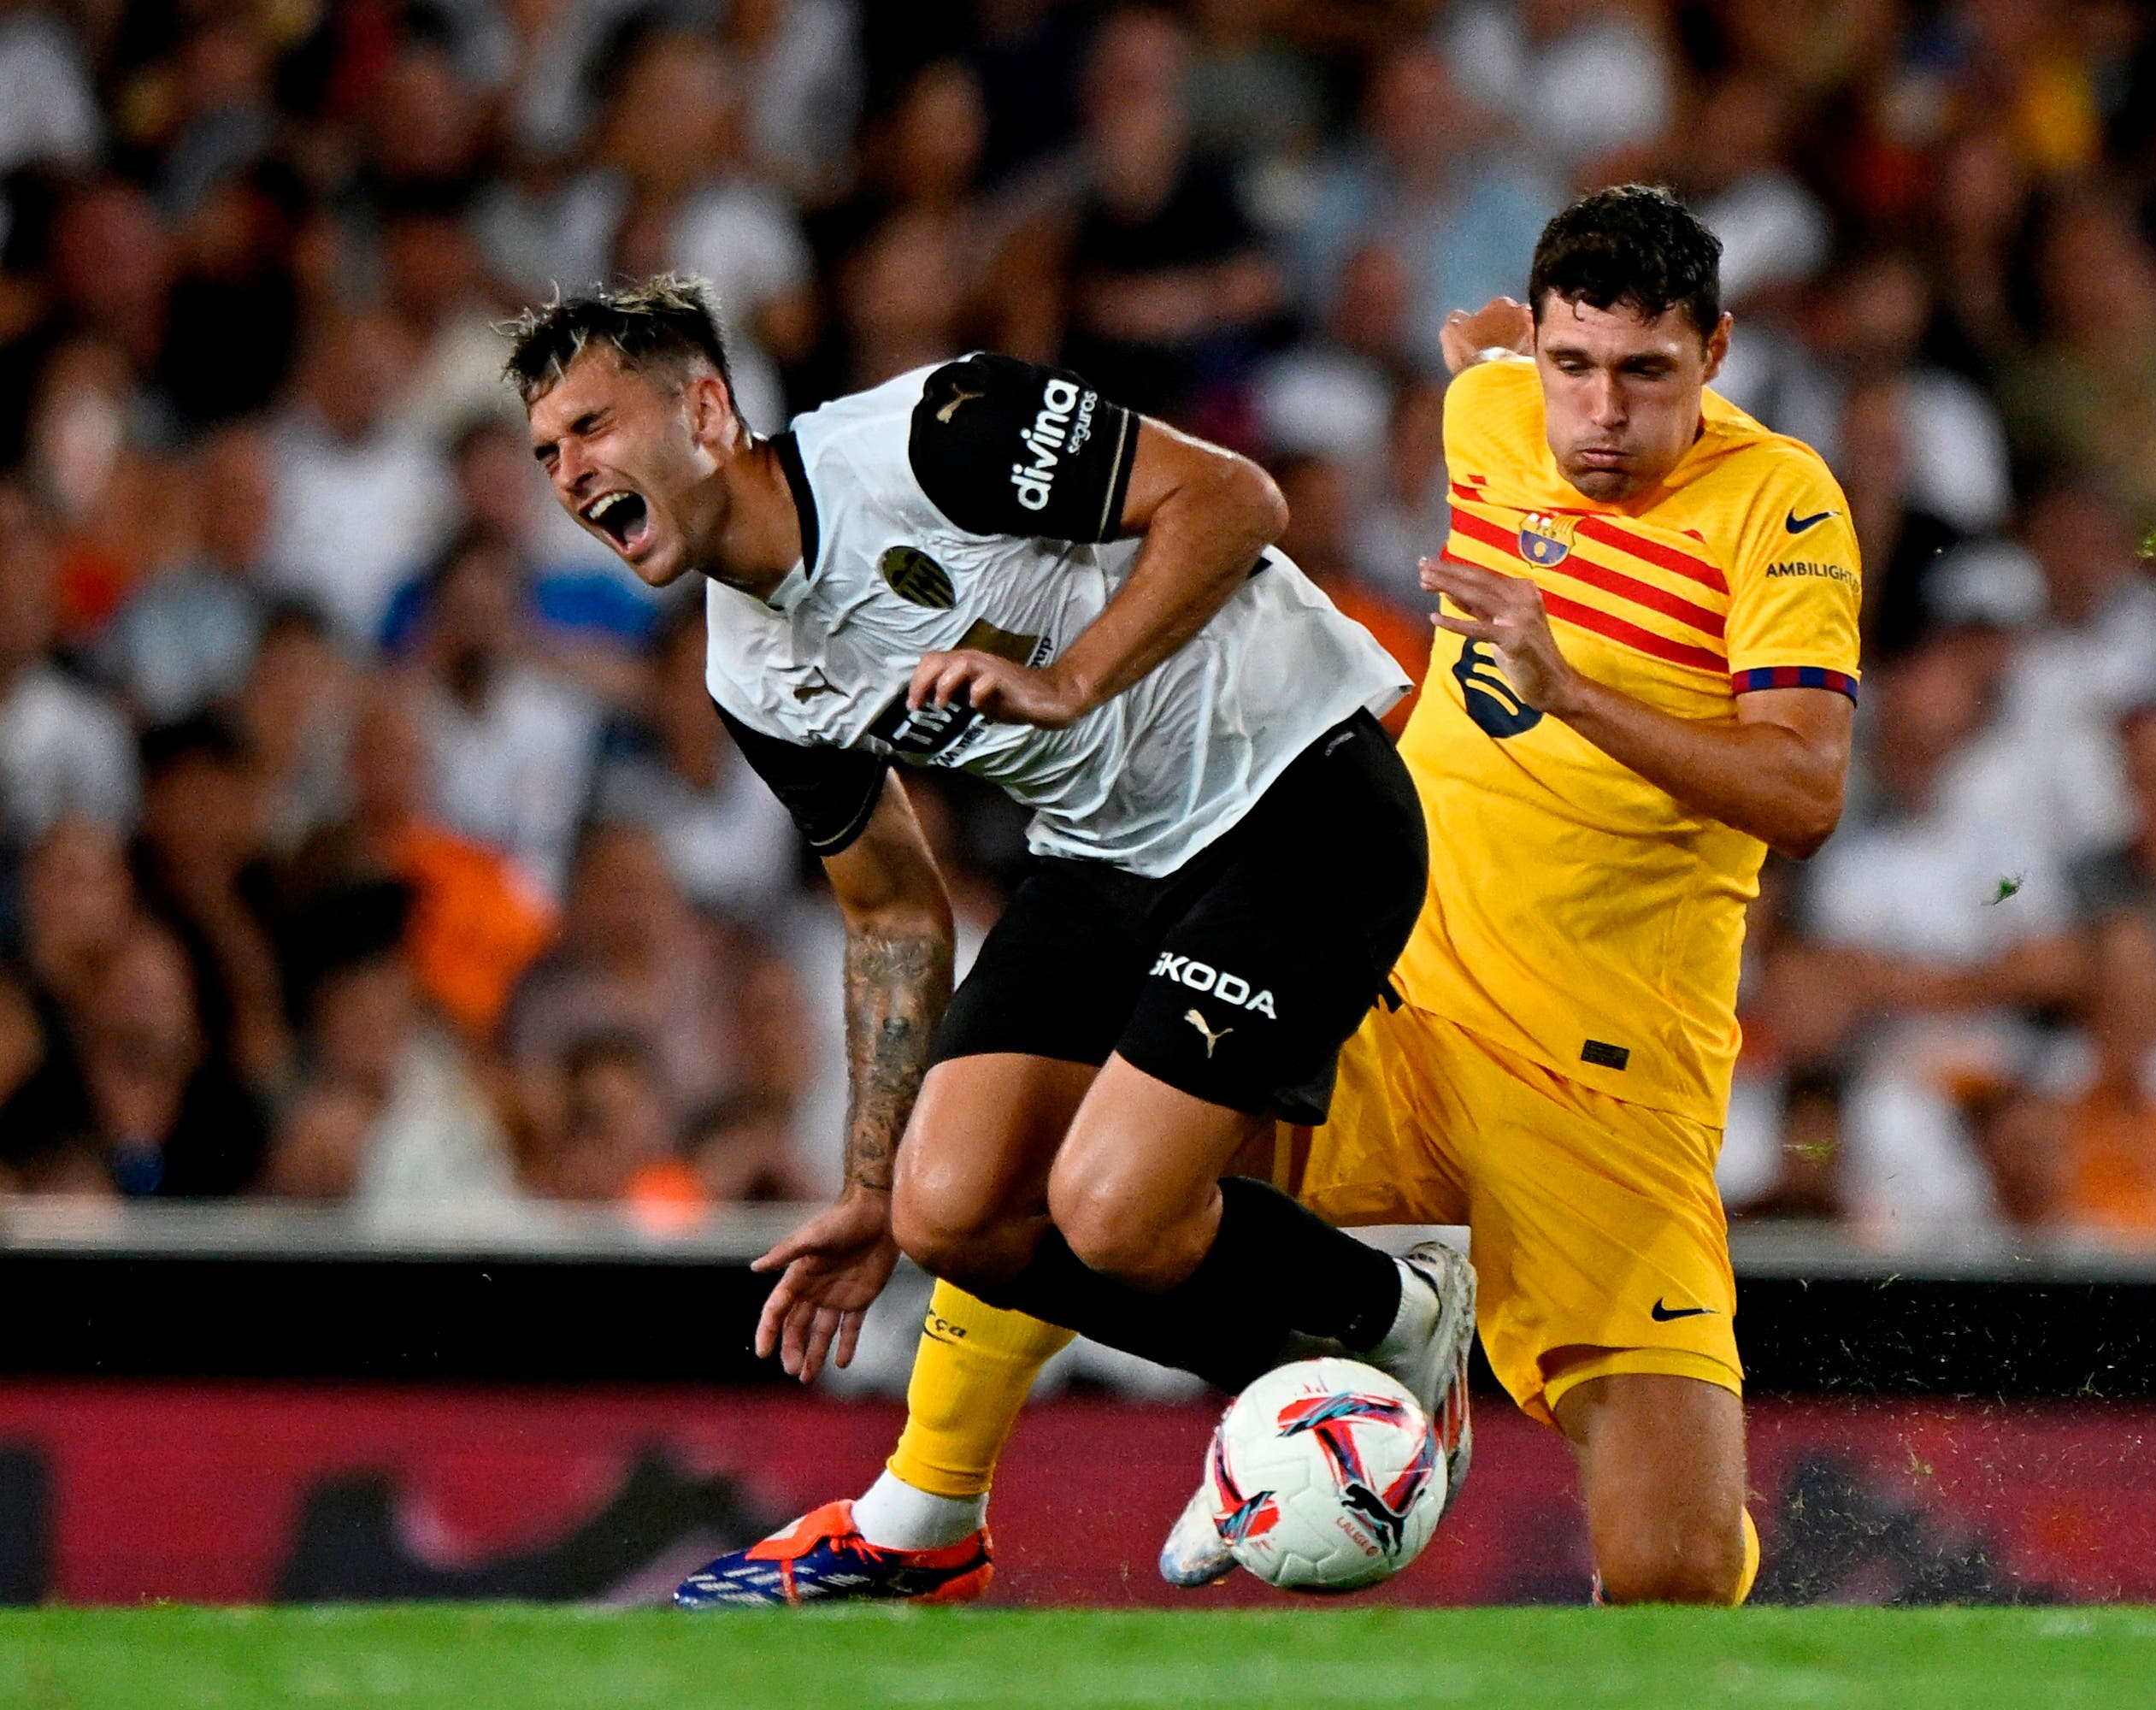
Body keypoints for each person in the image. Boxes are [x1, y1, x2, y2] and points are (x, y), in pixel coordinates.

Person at [751, 186, 1863, 1608]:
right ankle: (923, 1517)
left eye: (1647, 375)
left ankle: (1323, 1422)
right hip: (1388, 984)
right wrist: (1503, 344)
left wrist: (1567, 684)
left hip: (1602, 1074)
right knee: (1043, 1148)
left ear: (1718, 349)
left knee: (1675, 1575)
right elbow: (1493, 355)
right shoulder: (1497, 408)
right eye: (1575, 368)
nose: (1598, 415)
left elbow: (1803, 795)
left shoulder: (1781, 504)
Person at [499, 275, 1476, 1607]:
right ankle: (1320, 1395)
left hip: (1295, 794)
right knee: (946, 1209)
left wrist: (1073, 681)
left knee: (1115, 1212)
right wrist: (864, 1182)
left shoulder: (928, 438)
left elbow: (1237, 500)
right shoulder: (750, 669)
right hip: (1107, 857)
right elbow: (893, 907)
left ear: (710, 410)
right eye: (548, 451)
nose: (571, 472)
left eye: (594, 427)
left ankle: (1400, 1319)